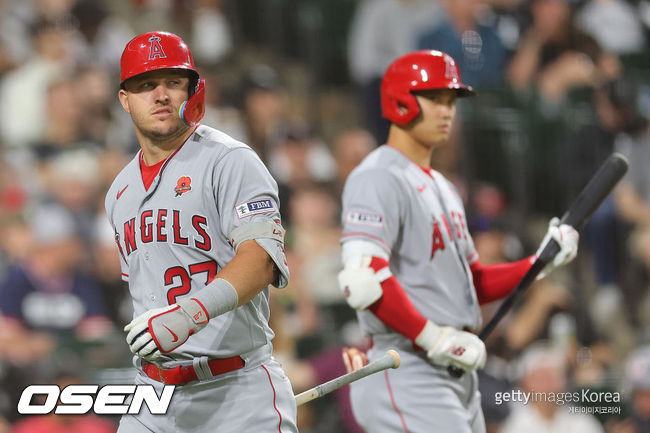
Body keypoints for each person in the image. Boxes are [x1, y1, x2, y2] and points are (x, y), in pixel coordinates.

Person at [337, 50, 579, 433]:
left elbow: (473, 282)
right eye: (434, 99)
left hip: (452, 365)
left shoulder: (443, 187)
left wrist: (539, 262)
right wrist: (433, 337)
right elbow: (363, 281)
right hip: (407, 365)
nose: (447, 111)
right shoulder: (378, 176)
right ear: (399, 100)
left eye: (450, 101)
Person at [105, 31, 298, 433]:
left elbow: (260, 260)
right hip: (153, 396)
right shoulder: (119, 192)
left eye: (173, 83)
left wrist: (189, 315)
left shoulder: (230, 161)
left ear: (193, 90)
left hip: (236, 388)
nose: (161, 95)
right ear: (125, 99)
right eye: (145, 85)